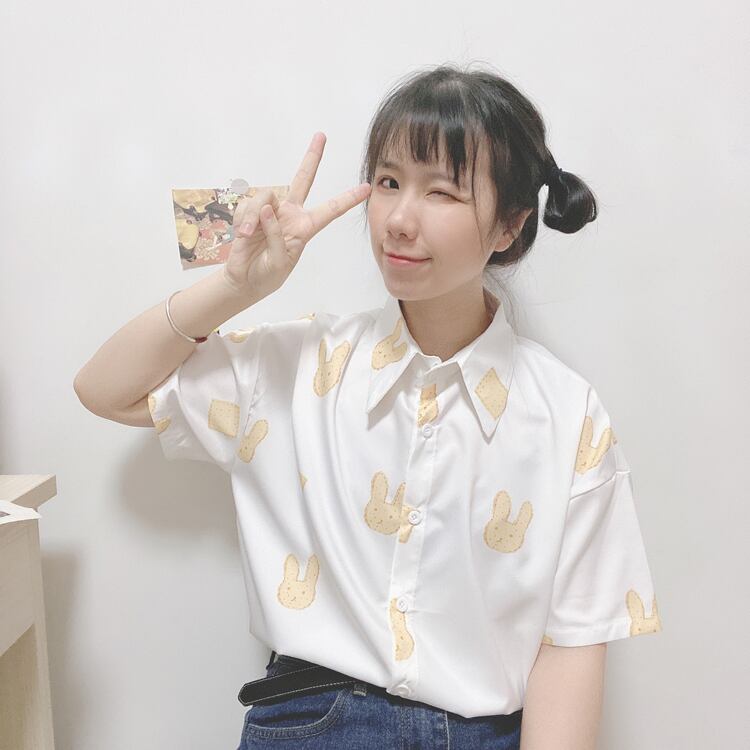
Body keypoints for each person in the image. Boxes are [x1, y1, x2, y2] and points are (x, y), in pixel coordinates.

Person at [74, 63, 662, 749]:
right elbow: (104, 389)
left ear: (509, 225)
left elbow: (571, 647)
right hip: (312, 723)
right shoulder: (296, 366)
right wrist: (238, 288)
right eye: (387, 182)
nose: (399, 220)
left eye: (441, 191)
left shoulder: (567, 415)